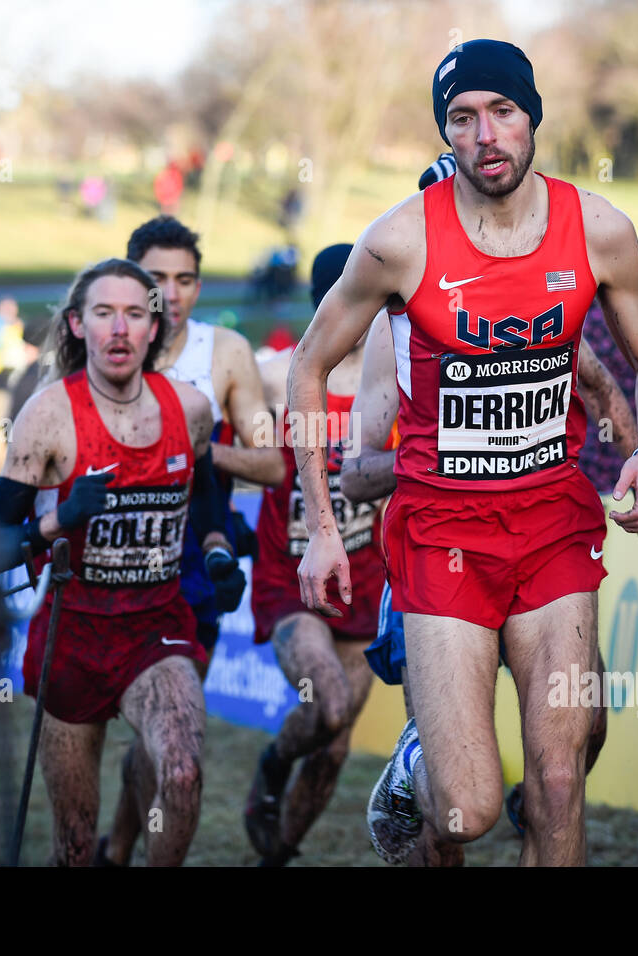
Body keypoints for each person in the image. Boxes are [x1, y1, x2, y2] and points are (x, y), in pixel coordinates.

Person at [288, 39, 638, 867]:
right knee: (467, 813)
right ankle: (418, 766)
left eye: (502, 111)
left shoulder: (601, 231)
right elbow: (309, 364)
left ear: (532, 116)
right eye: (462, 118)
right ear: (445, 134)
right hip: (442, 533)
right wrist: (323, 527)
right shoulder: (398, 243)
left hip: (553, 523)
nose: (486, 133)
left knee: (560, 782)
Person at [0, 258, 241, 867]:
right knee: (73, 845)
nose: (119, 329)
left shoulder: (192, 409)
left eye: (133, 314)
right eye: (103, 314)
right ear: (76, 325)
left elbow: (204, 499)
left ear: (156, 328)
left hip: (156, 628)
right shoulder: (47, 417)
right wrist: (59, 519)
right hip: (72, 635)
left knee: (180, 776)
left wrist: (218, 552)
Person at [94, 217, 279, 867]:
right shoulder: (105, 346)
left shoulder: (224, 352)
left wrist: (195, 449)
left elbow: (274, 463)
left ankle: (121, 850)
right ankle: (111, 845)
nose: (171, 294)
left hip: (200, 561)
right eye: (156, 279)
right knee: (132, 734)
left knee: (165, 735)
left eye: (186, 279)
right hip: (112, 564)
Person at [234, 244, 390, 867]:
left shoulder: (394, 376)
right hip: (291, 576)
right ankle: (270, 771)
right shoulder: (278, 376)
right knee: (324, 704)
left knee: (333, 749)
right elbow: (238, 449)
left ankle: (280, 851)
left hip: (365, 582)